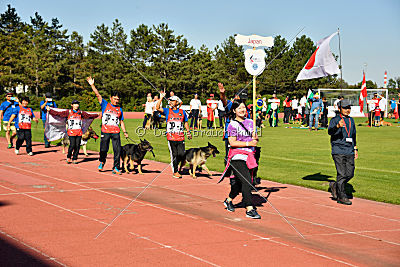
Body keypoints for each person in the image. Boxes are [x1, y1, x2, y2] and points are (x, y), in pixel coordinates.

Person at [220, 100, 261, 219]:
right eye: (239, 108)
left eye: (244, 107)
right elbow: (232, 142)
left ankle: (228, 200)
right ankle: (249, 208)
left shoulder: (251, 122)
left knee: (239, 183)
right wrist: (248, 142)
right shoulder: (232, 124)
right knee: (247, 180)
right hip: (237, 156)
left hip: (250, 156)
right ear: (234, 111)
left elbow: (255, 139)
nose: (242, 110)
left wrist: (255, 138)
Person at [87, 76, 128, 174]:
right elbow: (98, 95)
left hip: (115, 132)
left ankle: (116, 167)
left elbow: (121, 121)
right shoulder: (105, 104)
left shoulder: (119, 109)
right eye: (114, 99)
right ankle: (102, 161)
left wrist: (125, 132)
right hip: (105, 131)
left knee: (117, 150)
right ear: (111, 98)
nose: (116, 101)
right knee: (103, 149)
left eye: (117, 99)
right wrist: (92, 85)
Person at [328, 99, 358, 205]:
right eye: (345, 108)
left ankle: (335, 186)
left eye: (349, 108)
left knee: (350, 173)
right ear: (339, 108)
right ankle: (341, 196)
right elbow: (330, 132)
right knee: (341, 174)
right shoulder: (335, 120)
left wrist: (355, 148)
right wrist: (337, 126)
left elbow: (353, 135)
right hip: (338, 150)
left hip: (349, 149)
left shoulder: (351, 120)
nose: (347, 110)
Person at [155, 92, 192, 178]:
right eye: (170, 101)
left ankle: (176, 166)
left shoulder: (182, 112)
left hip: (180, 137)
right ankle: (175, 171)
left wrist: (188, 132)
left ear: (177, 102)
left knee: (182, 154)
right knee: (174, 154)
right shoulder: (168, 110)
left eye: (172, 101)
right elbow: (157, 108)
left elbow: (185, 123)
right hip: (171, 137)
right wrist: (161, 98)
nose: (170, 102)